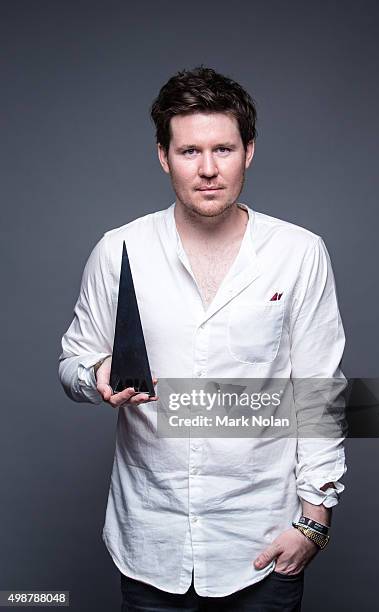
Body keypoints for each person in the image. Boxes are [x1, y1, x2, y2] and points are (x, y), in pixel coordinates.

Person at [59, 66, 347, 611]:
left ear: (249, 152)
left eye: (224, 149)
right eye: (190, 151)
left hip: (262, 542)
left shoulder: (299, 252)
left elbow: (318, 392)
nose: (209, 170)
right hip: (150, 543)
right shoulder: (119, 250)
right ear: (164, 156)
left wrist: (314, 524)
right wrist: (92, 375)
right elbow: (72, 363)